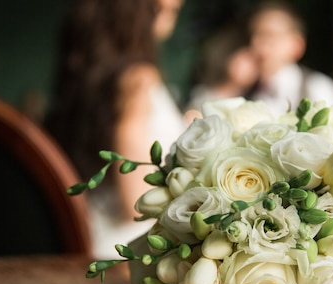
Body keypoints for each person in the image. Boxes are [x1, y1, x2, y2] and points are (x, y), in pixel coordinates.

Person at [45, 0, 186, 258]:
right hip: (122, 253)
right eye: (164, 10)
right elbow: (136, 202)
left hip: (78, 236)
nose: (169, 22)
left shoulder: (88, 76)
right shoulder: (137, 81)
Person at [247, 1, 333, 115]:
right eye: (251, 36)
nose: (255, 44)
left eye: (268, 35)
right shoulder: (243, 90)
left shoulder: (317, 87)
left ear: (297, 44)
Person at [185, 24, 259, 112]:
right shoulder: (201, 92)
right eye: (241, 55)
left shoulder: (247, 110)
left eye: (252, 62)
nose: (241, 62)